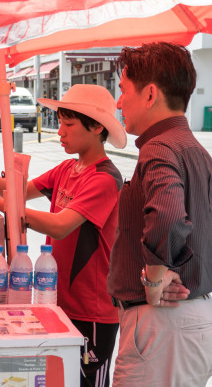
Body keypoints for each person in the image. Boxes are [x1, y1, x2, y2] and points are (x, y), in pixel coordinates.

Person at [0, 84, 127, 387]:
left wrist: (3, 204)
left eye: (68, 124)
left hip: (94, 310)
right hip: (58, 300)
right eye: (60, 122)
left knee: (88, 383)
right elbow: (20, 190)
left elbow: (60, 224)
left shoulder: (105, 178)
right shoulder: (66, 169)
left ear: (97, 126)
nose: (60, 131)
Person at [107, 42, 212, 386]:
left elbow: (167, 216)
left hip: (161, 324)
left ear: (150, 94)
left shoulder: (159, 147)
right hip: (189, 321)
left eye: (123, 91)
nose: (119, 103)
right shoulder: (195, 149)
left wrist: (154, 278)